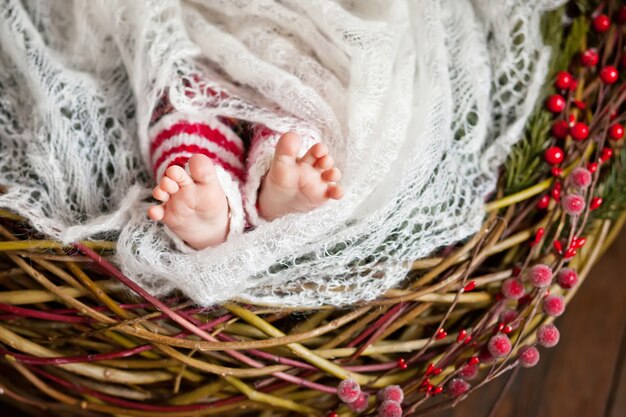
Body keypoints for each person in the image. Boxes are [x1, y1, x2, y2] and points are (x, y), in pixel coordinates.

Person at [145, 87, 344, 250]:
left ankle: (273, 180)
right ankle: (212, 208)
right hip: (243, 75)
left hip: (259, 74)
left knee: (294, 106)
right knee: (186, 100)